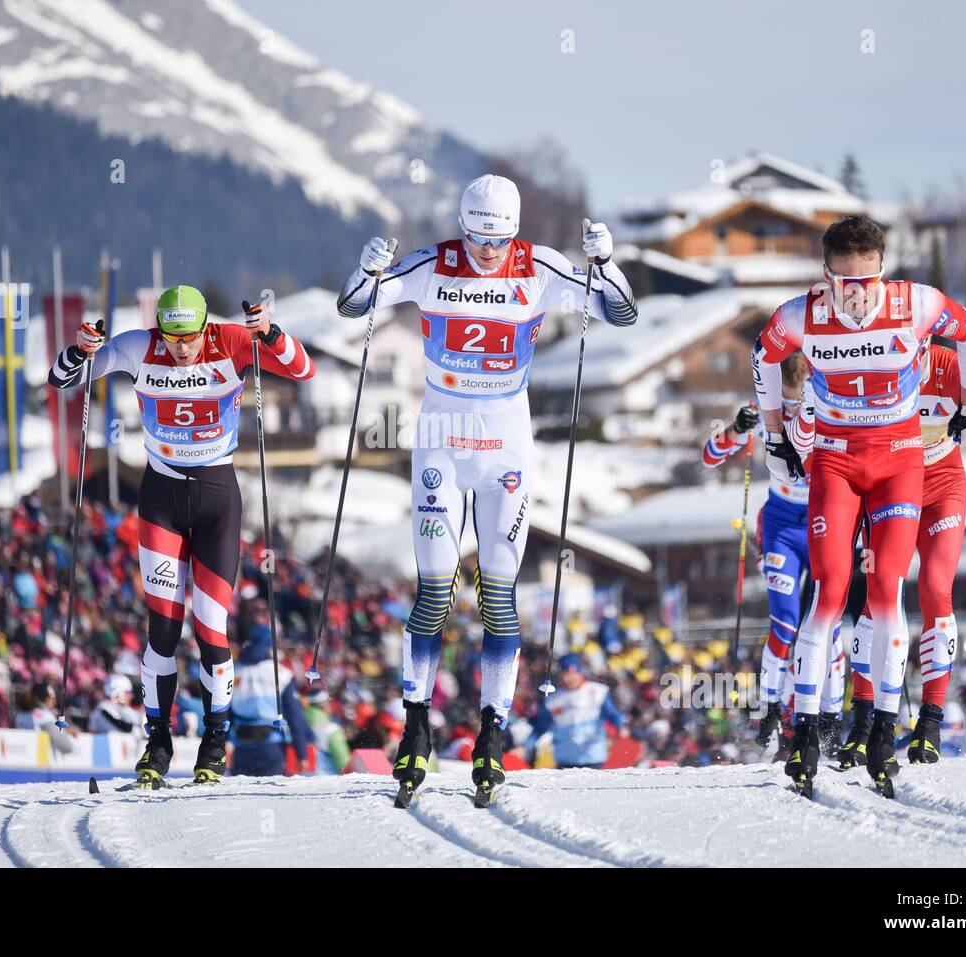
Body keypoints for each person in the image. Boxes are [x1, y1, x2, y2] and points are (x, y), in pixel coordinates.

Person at [336, 173, 637, 798]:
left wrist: (608, 266)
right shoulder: (432, 265)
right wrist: (365, 272)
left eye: (498, 243)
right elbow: (352, 309)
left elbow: (622, 314)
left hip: (506, 446)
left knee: (498, 595)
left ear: (515, 233)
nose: (487, 253)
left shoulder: (542, 268)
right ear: (463, 227)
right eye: (477, 240)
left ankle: (492, 734)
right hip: (442, 442)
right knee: (434, 592)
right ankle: (415, 727)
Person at [752, 213, 966, 793]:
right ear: (826, 273)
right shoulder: (800, 315)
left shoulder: (917, 303)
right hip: (835, 460)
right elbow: (762, 357)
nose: (857, 293)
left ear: (883, 267)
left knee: (887, 593)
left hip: (900, 462)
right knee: (830, 591)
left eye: (867, 279)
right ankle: (804, 731)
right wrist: (776, 434)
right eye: (845, 281)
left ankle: (884, 728)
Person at [49, 285, 315, 787]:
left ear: (203, 327)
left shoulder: (232, 340)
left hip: (217, 499)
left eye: (189, 337)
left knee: (211, 629)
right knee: (163, 632)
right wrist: (80, 350)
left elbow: (303, 370)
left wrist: (272, 334)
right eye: (172, 337)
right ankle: (158, 741)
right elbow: (63, 379)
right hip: (162, 500)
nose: (181, 348)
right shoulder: (137, 346)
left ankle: (216, 740)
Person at [837, 344, 966, 767]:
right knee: (877, 599)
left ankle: (930, 723)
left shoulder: (953, 367)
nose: (907, 363)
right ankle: (863, 723)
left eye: (915, 352)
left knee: (936, 591)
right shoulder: (876, 365)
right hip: (890, 489)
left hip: (941, 489)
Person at [701, 355, 845, 755]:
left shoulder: (832, 404)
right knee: (784, 623)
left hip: (824, 521)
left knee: (828, 625)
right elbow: (709, 456)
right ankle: (770, 710)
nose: (795, 411)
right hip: (781, 524)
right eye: (789, 402)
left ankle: (830, 717)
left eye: (800, 403)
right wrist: (735, 430)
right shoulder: (766, 409)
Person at [228, 626, 311, 777]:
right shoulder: (282, 674)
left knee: (238, 797)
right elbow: (294, 716)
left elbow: (226, 714)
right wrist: (301, 754)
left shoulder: (233, 671)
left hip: (241, 745)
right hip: (271, 746)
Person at [522, 654, 627, 769]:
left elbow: (613, 714)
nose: (568, 678)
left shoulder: (597, 692)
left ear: (580, 673)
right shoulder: (552, 699)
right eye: (565, 674)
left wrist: (621, 726)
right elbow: (541, 727)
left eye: (572, 674)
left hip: (593, 756)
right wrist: (526, 745)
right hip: (565, 758)